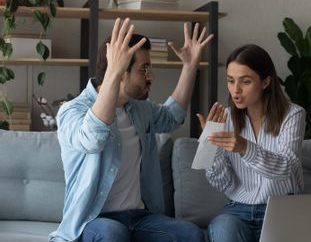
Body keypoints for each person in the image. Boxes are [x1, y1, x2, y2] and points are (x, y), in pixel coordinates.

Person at [49, 18, 213, 242]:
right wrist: (112, 74)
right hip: (93, 220)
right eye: (144, 69)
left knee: (191, 234)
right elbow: (92, 140)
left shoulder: (139, 109)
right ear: (120, 71)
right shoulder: (72, 111)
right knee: (113, 233)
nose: (150, 76)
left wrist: (190, 66)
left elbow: (172, 117)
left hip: (140, 217)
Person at [196, 44, 306, 242]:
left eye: (245, 82)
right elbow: (224, 183)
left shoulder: (293, 115)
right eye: (230, 81)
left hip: (281, 209)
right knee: (222, 230)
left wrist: (244, 147)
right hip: (237, 211)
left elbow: (286, 168)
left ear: (265, 82)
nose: (235, 90)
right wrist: (211, 145)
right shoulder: (225, 118)